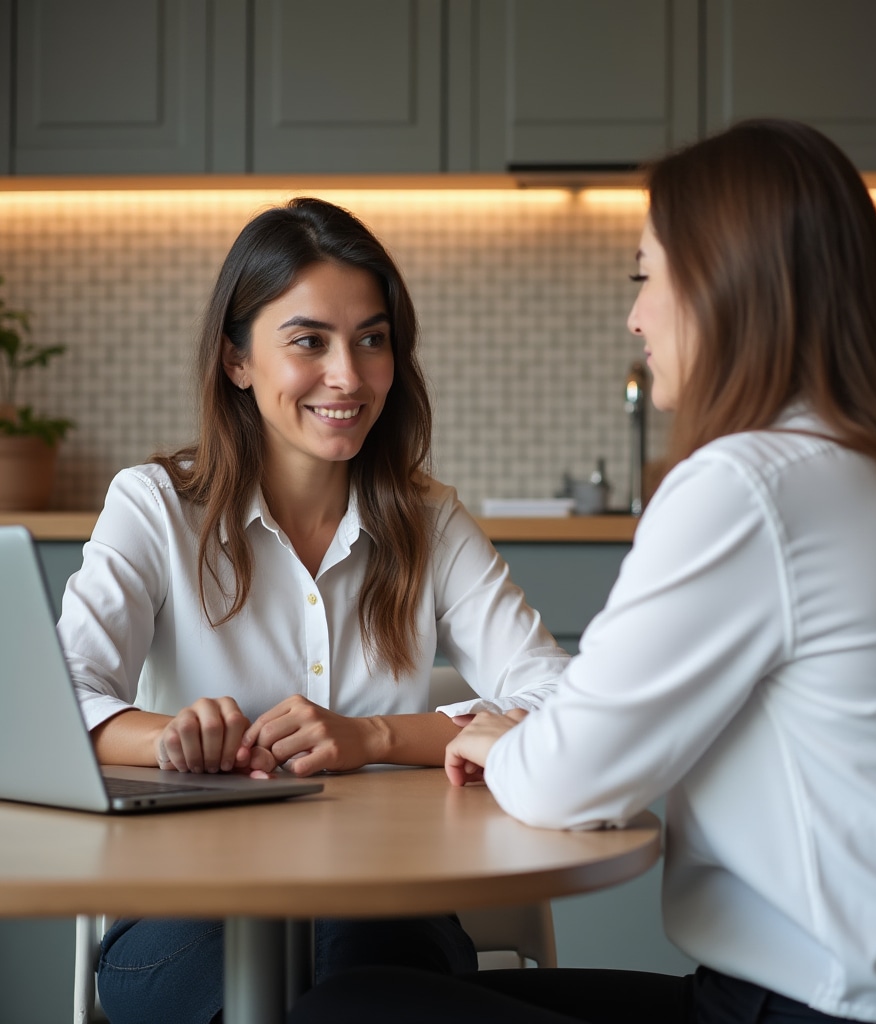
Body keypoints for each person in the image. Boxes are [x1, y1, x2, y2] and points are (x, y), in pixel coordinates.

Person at [287, 119, 876, 1024]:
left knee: (345, 1010)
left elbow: (570, 781)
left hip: (823, 1006)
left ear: (726, 285)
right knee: (399, 993)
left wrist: (497, 743)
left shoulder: (749, 487)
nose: (635, 315)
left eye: (647, 276)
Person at [56, 197, 571, 1024]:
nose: (349, 375)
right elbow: (58, 703)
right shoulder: (153, 507)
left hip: (389, 901)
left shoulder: (429, 520)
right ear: (237, 359)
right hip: (184, 914)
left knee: (358, 971)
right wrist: (180, 737)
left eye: (372, 340)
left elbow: (557, 701)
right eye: (309, 342)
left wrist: (371, 736)